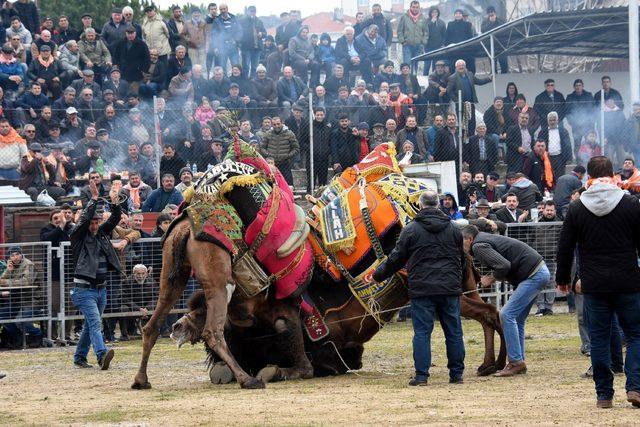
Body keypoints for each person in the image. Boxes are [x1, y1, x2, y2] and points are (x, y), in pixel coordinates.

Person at [556, 156, 640, 409]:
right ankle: (635, 386)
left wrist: (563, 279)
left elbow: (565, 247)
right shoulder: (631, 204)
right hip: (628, 280)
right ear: (613, 174)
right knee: (636, 335)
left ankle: (604, 394)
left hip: (593, 283)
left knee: (599, 338)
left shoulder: (577, 207)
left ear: (588, 177)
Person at [372, 191, 466, 386]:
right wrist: (458, 281)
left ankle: (422, 376)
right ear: (438, 205)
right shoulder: (454, 229)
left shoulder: (411, 229)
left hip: (422, 289)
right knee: (454, 332)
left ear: (421, 205)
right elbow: (462, 259)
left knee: (422, 332)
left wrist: (377, 275)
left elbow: (396, 259)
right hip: (449, 287)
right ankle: (456, 374)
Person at [462, 224, 550, 377]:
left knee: (506, 314)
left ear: (469, 239)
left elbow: (503, 265)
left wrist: (490, 278)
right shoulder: (483, 240)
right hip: (538, 271)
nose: (461, 246)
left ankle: (516, 362)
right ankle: (519, 360)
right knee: (517, 318)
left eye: (461, 242)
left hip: (533, 275)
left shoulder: (478, 246)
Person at [69, 180, 122, 369]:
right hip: (84, 290)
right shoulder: (78, 236)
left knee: (89, 325)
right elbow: (84, 220)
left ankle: (79, 357)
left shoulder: (101, 233)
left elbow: (115, 217)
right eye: (92, 222)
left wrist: (114, 201)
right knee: (94, 323)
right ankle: (102, 354)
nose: (94, 225)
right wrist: (93, 198)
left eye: (97, 222)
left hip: (101, 290)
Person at [446, 59, 492, 137]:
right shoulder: (452, 77)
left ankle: (471, 139)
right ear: (456, 67)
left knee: (472, 123)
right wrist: (457, 101)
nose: (461, 67)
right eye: (459, 66)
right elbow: (449, 91)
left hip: (470, 103)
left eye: (462, 65)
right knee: (463, 125)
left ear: (465, 66)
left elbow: (479, 82)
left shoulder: (470, 74)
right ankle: (464, 142)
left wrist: (489, 79)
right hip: (461, 105)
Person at [259, 116, 299, 185]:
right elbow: (262, 148)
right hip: (272, 164)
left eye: (278, 124)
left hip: (285, 163)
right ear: (272, 124)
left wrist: (288, 156)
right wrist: (268, 155)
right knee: (271, 185)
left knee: (288, 185)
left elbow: (296, 148)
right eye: (274, 124)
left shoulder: (289, 134)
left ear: (282, 123)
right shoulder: (268, 134)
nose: (276, 126)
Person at [537, 112, 572, 185]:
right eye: (550, 120)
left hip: (560, 157)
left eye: (554, 120)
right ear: (547, 121)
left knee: (560, 176)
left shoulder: (563, 131)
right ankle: (549, 191)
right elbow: (539, 145)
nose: (552, 122)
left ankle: (559, 191)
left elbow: (568, 144)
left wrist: (569, 158)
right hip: (547, 157)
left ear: (557, 120)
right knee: (548, 175)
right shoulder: (543, 131)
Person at [396, 1, 428, 75]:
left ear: (419, 8)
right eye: (413, 7)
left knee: (416, 64)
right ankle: (406, 81)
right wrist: (402, 41)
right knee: (407, 64)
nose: (415, 9)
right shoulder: (404, 17)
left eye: (417, 7)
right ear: (410, 7)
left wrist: (423, 42)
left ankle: (415, 80)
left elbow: (426, 32)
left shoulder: (422, 18)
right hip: (407, 45)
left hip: (418, 46)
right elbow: (399, 31)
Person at [566, 79, 595, 158]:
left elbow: (593, 109)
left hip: (588, 125)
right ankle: (579, 161)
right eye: (576, 86)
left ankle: (590, 159)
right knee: (577, 144)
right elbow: (567, 111)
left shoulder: (588, 95)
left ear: (582, 86)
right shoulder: (570, 97)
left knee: (589, 143)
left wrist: (591, 122)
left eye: (579, 85)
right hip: (576, 126)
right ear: (574, 87)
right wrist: (571, 122)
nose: (578, 87)